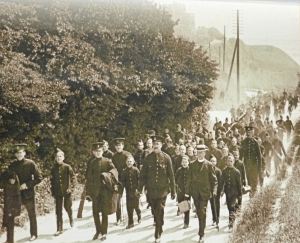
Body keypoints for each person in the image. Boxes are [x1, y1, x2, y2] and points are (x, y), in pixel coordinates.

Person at [140, 135, 176, 243]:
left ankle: (157, 234)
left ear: (161, 145)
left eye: (158, 144)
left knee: (159, 209)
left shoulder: (166, 158)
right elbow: (143, 175)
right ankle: (159, 222)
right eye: (154, 144)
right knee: (155, 211)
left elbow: (171, 175)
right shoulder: (148, 158)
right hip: (151, 191)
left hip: (162, 190)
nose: (156, 146)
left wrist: (173, 190)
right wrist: (139, 189)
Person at [7, 143, 42, 241]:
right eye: (17, 153)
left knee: (31, 214)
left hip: (28, 194)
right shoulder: (12, 165)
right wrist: (10, 181)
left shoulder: (30, 163)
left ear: (24, 153)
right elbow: (7, 178)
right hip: (15, 194)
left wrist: (27, 185)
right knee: (10, 215)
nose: (19, 154)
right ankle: (10, 239)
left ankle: (34, 234)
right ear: (15, 155)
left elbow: (39, 178)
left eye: (21, 152)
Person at [85, 142, 119, 241]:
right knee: (95, 212)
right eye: (96, 151)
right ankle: (98, 231)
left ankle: (104, 232)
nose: (98, 153)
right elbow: (88, 178)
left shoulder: (107, 161)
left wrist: (106, 175)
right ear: (93, 152)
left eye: (100, 151)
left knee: (104, 212)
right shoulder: (91, 163)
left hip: (105, 191)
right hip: (95, 192)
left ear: (102, 151)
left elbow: (115, 171)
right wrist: (88, 192)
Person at [185, 144, 217, 243]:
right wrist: (187, 193)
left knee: (202, 212)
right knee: (199, 213)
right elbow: (188, 180)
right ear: (196, 153)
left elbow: (214, 180)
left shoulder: (209, 165)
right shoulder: (192, 164)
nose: (200, 154)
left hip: (205, 193)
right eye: (198, 153)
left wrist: (214, 191)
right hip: (195, 193)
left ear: (205, 153)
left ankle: (201, 234)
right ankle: (202, 226)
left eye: (202, 152)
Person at [50, 148, 76, 236]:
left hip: (67, 191)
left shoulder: (67, 167)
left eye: (60, 156)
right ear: (55, 158)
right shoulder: (53, 168)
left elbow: (73, 178)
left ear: (63, 157)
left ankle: (71, 218)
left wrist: (71, 188)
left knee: (67, 207)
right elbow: (52, 181)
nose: (58, 158)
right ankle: (59, 228)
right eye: (57, 156)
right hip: (57, 192)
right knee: (58, 210)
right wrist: (53, 191)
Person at [111, 138, 132, 225]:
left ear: (123, 146)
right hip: (118, 180)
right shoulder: (114, 156)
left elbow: (132, 166)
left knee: (130, 198)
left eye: (120, 145)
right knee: (118, 199)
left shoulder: (127, 154)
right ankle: (119, 218)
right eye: (117, 146)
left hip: (128, 179)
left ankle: (131, 218)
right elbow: (112, 168)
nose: (118, 147)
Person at [220, 154, 243, 230]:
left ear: (233, 162)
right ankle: (233, 217)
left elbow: (239, 184)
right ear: (226, 162)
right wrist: (222, 191)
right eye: (228, 161)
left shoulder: (237, 172)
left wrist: (240, 195)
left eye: (231, 161)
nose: (229, 162)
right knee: (229, 207)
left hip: (234, 193)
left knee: (231, 208)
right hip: (227, 193)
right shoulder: (224, 171)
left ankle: (231, 224)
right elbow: (222, 182)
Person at [240, 126, 262, 197]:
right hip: (247, 165)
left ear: (252, 133)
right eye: (247, 132)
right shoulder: (243, 142)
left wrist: (259, 167)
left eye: (250, 132)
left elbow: (259, 156)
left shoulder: (255, 142)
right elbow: (241, 155)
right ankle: (252, 193)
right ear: (246, 133)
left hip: (254, 165)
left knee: (254, 180)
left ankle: (253, 195)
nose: (248, 133)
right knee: (249, 180)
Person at [120, 155, 141, 229]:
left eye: (130, 161)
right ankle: (131, 223)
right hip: (128, 192)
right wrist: (121, 190)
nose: (129, 163)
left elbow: (139, 180)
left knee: (136, 206)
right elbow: (122, 182)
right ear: (126, 162)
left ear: (133, 162)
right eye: (128, 161)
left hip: (135, 192)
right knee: (129, 208)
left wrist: (138, 189)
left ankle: (139, 214)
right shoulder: (124, 171)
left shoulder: (136, 170)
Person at [1, 171, 21, 243]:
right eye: (11, 179)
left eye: (13, 179)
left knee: (10, 225)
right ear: (9, 179)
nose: (12, 180)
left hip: (12, 209)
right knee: (8, 224)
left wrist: (16, 210)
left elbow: (18, 201)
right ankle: (9, 239)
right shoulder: (7, 186)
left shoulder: (16, 188)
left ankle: (11, 240)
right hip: (7, 208)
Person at [175, 155, 190, 229]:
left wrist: (189, 192)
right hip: (180, 191)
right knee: (182, 206)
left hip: (188, 192)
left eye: (186, 162)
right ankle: (184, 218)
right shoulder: (179, 170)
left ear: (188, 162)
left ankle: (186, 222)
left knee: (186, 207)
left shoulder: (190, 170)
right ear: (181, 163)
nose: (184, 163)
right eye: (183, 162)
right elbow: (175, 180)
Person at [209, 155, 222, 227]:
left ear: (216, 162)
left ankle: (217, 219)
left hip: (217, 191)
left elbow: (220, 182)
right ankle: (214, 219)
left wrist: (219, 191)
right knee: (212, 205)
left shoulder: (218, 171)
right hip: (210, 190)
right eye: (211, 161)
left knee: (217, 204)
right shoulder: (207, 169)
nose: (212, 162)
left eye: (214, 161)